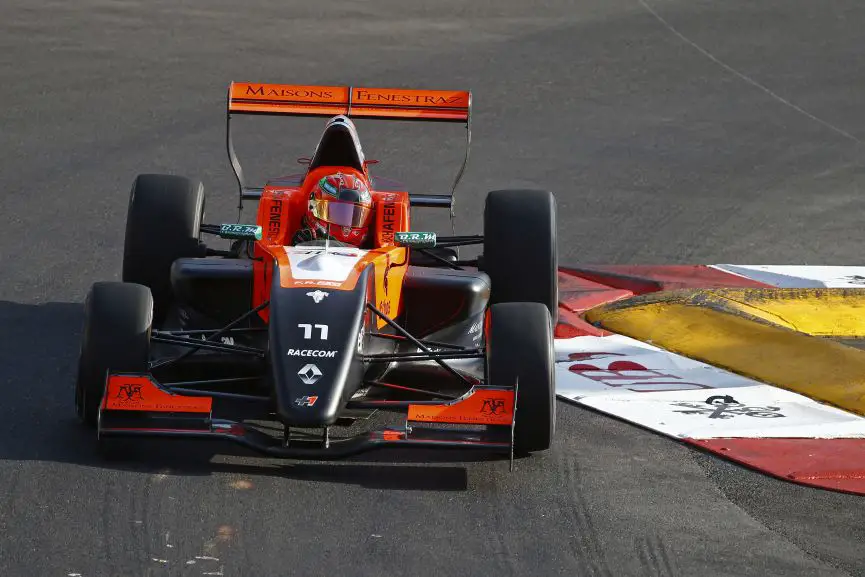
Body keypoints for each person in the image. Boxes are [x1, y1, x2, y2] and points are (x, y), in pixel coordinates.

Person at [292, 172, 374, 247]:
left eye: (355, 214)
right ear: (313, 207)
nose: (346, 221)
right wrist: (300, 245)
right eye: (338, 212)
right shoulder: (305, 237)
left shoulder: (376, 247)